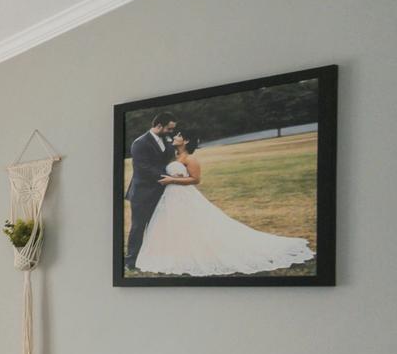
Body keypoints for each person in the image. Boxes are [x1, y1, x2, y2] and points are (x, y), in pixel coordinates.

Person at [134, 134, 314, 276]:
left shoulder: (190, 159)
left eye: (179, 135)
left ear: (186, 141)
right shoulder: (173, 156)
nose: (175, 137)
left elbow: (196, 179)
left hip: (183, 195)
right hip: (170, 197)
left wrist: (172, 179)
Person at [123, 116, 178, 272]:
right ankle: (131, 260)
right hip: (143, 192)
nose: (171, 131)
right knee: (138, 226)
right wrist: (168, 177)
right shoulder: (140, 143)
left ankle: (153, 257)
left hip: (161, 191)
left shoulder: (166, 139)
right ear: (159, 125)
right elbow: (143, 168)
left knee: (157, 225)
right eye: (169, 128)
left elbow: (168, 158)